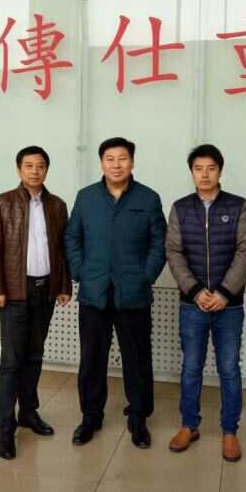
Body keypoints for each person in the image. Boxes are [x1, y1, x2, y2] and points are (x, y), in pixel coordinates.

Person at [64, 137, 166, 449]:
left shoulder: (148, 198)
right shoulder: (86, 197)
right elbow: (72, 237)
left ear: (132, 162)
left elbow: (159, 242)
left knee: (137, 359)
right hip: (94, 292)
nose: (116, 165)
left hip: (133, 293)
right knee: (92, 359)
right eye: (110, 159)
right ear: (101, 163)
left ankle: (138, 419)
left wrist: (146, 276)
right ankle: (90, 417)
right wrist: (80, 271)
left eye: (122, 158)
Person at [165, 144, 246, 462]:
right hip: (192, 305)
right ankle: (189, 425)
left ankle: (230, 431)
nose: (204, 174)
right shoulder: (180, 208)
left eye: (211, 168)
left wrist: (224, 293)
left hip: (229, 306)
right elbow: (173, 252)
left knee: (229, 368)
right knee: (191, 367)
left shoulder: (239, 206)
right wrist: (194, 291)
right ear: (191, 172)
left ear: (220, 171)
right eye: (198, 169)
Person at [0, 145, 72, 460]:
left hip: (44, 290)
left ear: (47, 170)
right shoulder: (2, 203)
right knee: (11, 361)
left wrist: (63, 285)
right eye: (29, 166)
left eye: (40, 166)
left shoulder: (57, 205)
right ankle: (5, 430)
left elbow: (63, 249)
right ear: (19, 169)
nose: (35, 171)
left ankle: (28, 413)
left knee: (35, 356)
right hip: (14, 293)